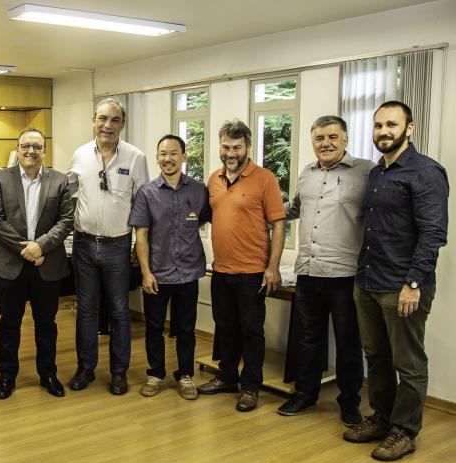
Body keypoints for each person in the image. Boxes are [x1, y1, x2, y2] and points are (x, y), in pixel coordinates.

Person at [343, 101, 449, 461]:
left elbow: (433, 234)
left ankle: (405, 431)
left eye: (391, 124)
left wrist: (413, 283)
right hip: (369, 280)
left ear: (410, 128)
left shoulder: (425, 172)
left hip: (402, 285)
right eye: (377, 125)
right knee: (376, 356)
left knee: (409, 363)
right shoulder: (378, 173)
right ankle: (383, 418)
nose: (383, 131)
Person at [277, 116, 374, 425]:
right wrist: (259, 213)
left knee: (348, 343)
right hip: (308, 270)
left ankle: (349, 403)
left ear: (345, 139)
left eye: (332, 137)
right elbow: (293, 209)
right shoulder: (306, 173)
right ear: (312, 142)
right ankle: (305, 395)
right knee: (308, 340)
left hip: (346, 274)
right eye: (319, 138)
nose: (326, 143)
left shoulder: (366, 172)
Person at [199, 119, 286, 412]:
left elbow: (278, 224)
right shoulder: (213, 179)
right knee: (225, 328)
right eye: (225, 147)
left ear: (248, 146)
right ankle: (226, 377)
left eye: (237, 147)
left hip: (252, 272)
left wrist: (272, 267)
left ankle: (251, 387)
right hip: (221, 269)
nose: (230, 152)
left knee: (251, 331)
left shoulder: (265, 179)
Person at [66, 98, 149, 395]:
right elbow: (70, 197)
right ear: (93, 120)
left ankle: (118, 372)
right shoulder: (79, 156)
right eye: (103, 118)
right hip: (84, 245)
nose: (108, 125)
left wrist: (139, 248)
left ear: (122, 124)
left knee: (119, 311)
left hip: (118, 246)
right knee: (86, 311)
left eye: (115, 120)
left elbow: (142, 208)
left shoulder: (135, 158)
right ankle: (86, 368)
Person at [0, 128, 74, 399]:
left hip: (46, 264)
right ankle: (7, 376)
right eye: (26, 146)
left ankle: (48, 374)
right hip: (12, 265)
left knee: (46, 324)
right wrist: (26, 249)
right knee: (9, 324)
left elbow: (66, 220)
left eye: (37, 146)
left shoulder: (60, 181)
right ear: (17, 148)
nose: (31, 151)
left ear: (44, 150)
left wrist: (41, 246)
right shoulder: (0, 179)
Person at [129, 134, 210, 400]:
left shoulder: (199, 190)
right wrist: (145, 272)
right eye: (163, 154)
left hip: (188, 271)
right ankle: (155, 374)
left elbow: (202, 220)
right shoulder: (147, 193)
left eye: (174, 153)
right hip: (157, 273)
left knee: (186, 327)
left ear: (184, 157)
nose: (168, 159)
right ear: (157, 158)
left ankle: (185, 375)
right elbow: (141, 235)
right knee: (154, 328)